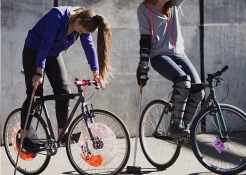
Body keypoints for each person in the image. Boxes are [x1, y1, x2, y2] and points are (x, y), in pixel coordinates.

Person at [20, 6, 113, 150]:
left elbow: (88, 46)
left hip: (53, 53)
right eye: (80, 30)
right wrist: (39, 72)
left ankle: (62, 136)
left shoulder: (84, 22)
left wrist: (96, 73)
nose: (80, 33)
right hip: (34, 50)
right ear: (78, 19)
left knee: (64, 92)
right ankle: (24, 138)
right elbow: (44, 44)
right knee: (35, 95)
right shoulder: (57, 17)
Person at [136, 0, 205, 137]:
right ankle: (175, 126)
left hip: (180, 54)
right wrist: (143, 64)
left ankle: (184, 129)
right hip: (159, 56)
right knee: (183, 82)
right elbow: (145, 38)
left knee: (198, 90)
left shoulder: (173, 5)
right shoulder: (144, 9)